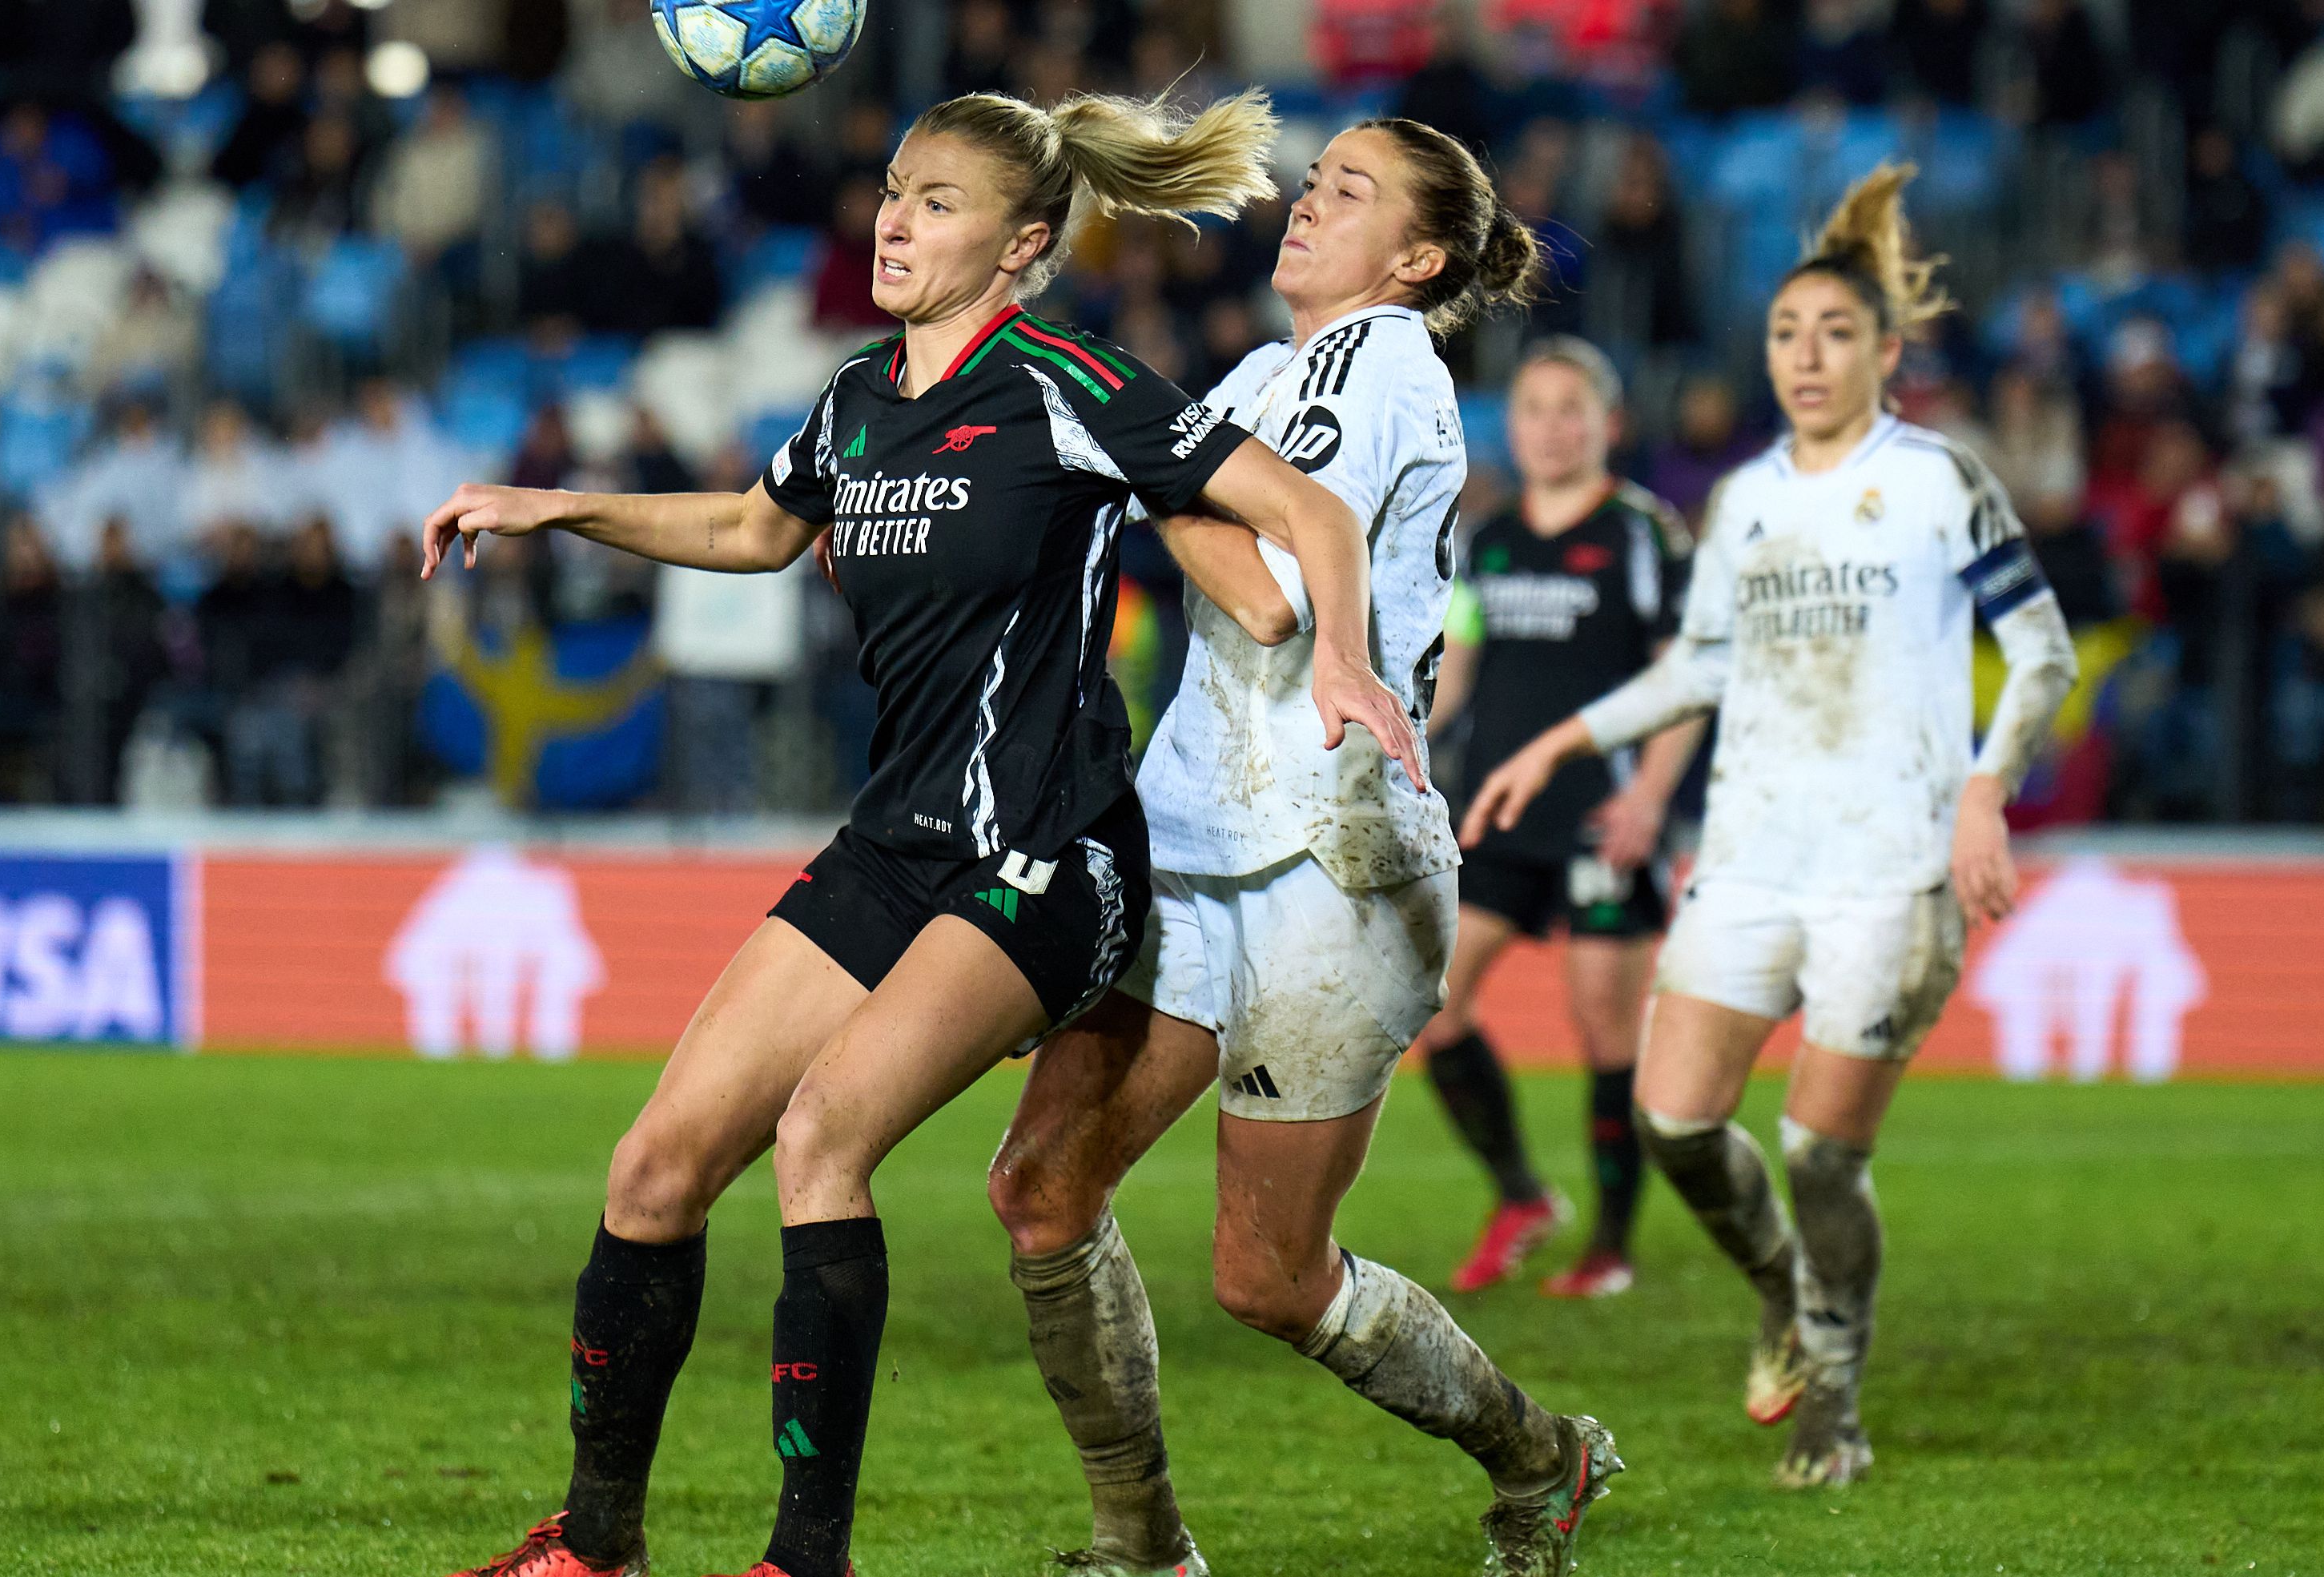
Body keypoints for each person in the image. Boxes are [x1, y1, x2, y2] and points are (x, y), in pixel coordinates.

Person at [417, 88, 1424, 1577]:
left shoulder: (1066, 378)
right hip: (898, 843)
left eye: (937, 202)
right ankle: (599, 1544)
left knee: (825, 1133)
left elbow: (1311, 521)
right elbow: (758, 530)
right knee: (653, 1168)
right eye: (893, 190)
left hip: (1048, 854)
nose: (894, 218)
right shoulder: (854, 401)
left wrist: (1341, 653)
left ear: (1023, 244)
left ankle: (804, 1558)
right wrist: (553, 503)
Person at [983, 118, 1622, 1577]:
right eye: (1313, 178)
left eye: (1349, 192)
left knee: (1267, 1276)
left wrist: (1126, 458)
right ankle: (1140, 1544)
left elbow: (1269, 588)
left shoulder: (1378, 362)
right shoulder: (1269, 374)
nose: (1306, 203)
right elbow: (1141, 484)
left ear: (1417, 258)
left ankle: (1543, 1451)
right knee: (1040, 1186)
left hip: (1334, 859)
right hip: (1197, 834)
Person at [1461, 163, 2079, 1489]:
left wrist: (1984, 789)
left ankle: (1835, 1401)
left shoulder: (1940, 482)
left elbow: (2040, 650)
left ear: (1889, 352)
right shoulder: (1743, 502)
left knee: (1817, 1148)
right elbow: (1695, 666)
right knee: (1676, 1119)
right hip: (1750, 854)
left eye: (1836, 332)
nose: (1805, 355)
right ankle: (1784, 1287)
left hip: (1891, 863)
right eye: (1787, 333)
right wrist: (1563, 741)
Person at [1417, 337, 1703, 1299]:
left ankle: (1611, 1248)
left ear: (1606, 424)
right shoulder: (1489, 540)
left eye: (1568, 408)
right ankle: (1521, 1194)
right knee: (1435, 1005)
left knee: (1602, 1027)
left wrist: (1647, 799)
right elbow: (1456, 671)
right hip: (1497, 810)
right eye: (1533, 409)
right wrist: (1402, 742)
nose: (1549, 427)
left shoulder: (1643, 533)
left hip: (1600, 815)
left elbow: (1687, 681)